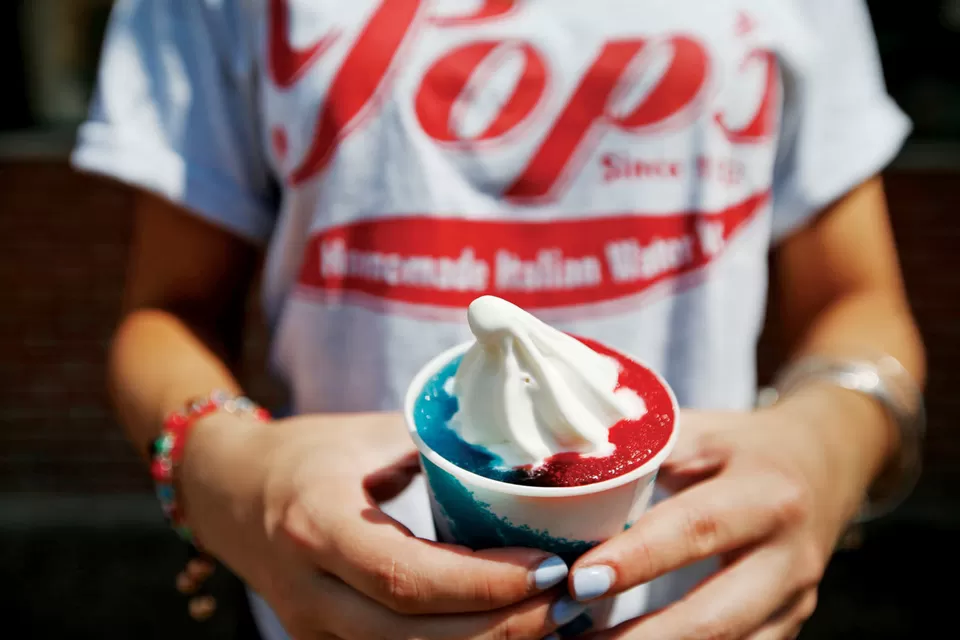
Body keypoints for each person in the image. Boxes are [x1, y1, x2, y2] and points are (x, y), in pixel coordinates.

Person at [73, 0, 926, 638]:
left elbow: (856, 303)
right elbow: (166, 313)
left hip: (695, 611)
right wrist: (226, 475)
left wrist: (828, 447)